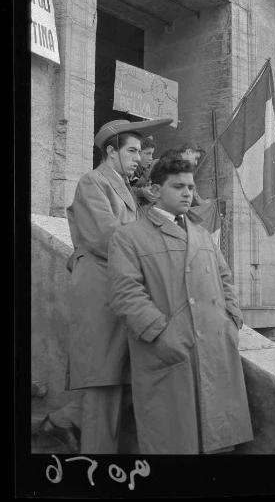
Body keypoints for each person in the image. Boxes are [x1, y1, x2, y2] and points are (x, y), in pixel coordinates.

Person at [107, 155, 253, 454]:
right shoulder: (129, 237)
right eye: (178, 186)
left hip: (215, 346)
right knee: (175, 442)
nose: (188, 193)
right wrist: (162, 336)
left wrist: (232, 319)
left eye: (190, 186)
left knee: (219, 443)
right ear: (156, 191)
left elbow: (224, 277)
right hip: (170, 352)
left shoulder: (201, 233)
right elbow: (126, 294)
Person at [63, 117, 172, 453]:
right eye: (133, 151)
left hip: (116, 294)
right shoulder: (92, 182)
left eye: (140, 151)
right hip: (100, 296)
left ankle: (63, 424)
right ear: (111, 151)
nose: (140, 158)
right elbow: (105, 236)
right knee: (102, 388)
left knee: (115, 385)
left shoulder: (123, 186)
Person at [130, 136, 158, 204]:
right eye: (148, 154)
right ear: (138, 152)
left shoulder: (143, 168)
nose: (151, 158)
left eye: (152, 154)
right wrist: (142, 192)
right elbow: (125, 189)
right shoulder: (129, 169)